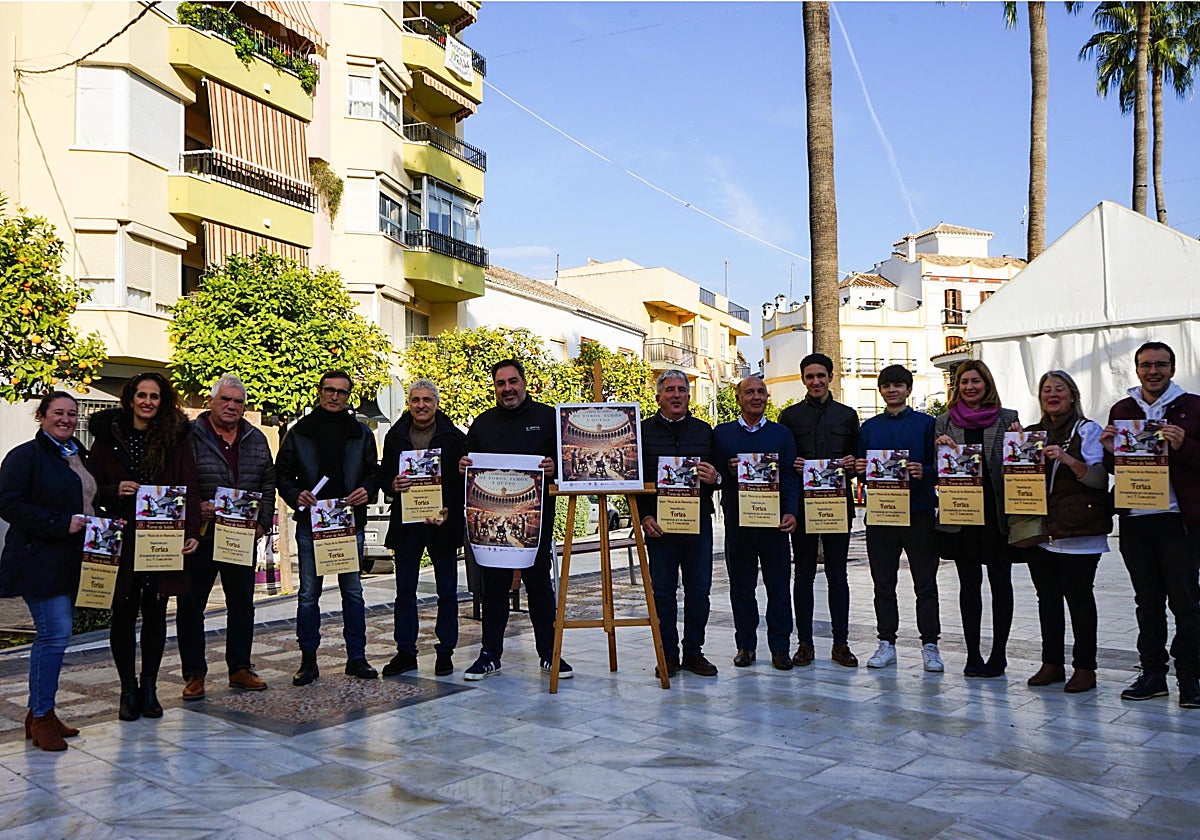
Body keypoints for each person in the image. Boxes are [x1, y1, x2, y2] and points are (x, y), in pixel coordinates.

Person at [90, 373, 200, 720]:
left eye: (154, 396)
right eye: (142, 395)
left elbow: (190, 486)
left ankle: (149, 687)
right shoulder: (109, 437)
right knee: (122, 613)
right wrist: (113, 490)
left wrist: (192, 531)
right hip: (123, 537)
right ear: (130, 398)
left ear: (161, 400)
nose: (147, 402)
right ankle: (127, 690)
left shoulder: (176, 439)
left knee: (155, 612)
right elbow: (91, 485)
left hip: (162, 539)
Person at [1101, 342, 1200, 707]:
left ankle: (1191, 678)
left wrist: (1185, 443)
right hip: (1136, 519)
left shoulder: (1193, 407)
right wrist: (1110, 450)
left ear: (1173, 368)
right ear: (1137, 369)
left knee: (1186, 603)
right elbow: (1118, 469)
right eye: (1146, 365)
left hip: (1178, 521)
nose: (1153, 371)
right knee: (1147, 602)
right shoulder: (1123, 409)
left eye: (1160, 365)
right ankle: (1153, 674)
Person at [457, 359, 570, 681]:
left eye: (512, 382)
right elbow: (466, 464)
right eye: (500, 384)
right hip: (491, 523)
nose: (507, 389)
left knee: (539, 585)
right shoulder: (482, 423)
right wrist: (463, 465)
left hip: (534, 521)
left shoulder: (548, 418)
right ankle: (490, 654)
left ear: (524, 383)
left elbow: (571, 468)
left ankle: (550, 654)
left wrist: (555, 470)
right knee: (493, 588)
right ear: (495, 388)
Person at [0, 393, 95, 750]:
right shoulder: (25, 456)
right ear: (41, 416)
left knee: (55, 636)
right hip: (39, 560)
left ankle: (41, 713)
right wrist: (59, 523)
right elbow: (8, 503)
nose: (67, 420)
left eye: (72, 414)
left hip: (72, 560)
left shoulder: (77, 453)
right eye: (58, 413)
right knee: (54, 635)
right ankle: (41, 716)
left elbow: (85, 498)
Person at [276, 370, 380, 686]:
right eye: (329, 390)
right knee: (309, 594)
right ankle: (308, 661)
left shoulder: (361, 433)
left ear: (349, 396)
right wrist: (296, 495)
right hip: (311, 524)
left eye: (342, 392)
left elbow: (373, 473)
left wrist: (367, 490)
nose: (335, 396)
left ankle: (357, 658)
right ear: (319, 392)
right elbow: (282, 475)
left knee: (353, 593)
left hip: (348, 524)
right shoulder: (299, 432)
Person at [176, 374, 276, 700]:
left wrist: (262, 522)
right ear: (211, 401)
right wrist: (195, 509)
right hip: (201, 537)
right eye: (226, 400)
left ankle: (240, 668)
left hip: (239, 536)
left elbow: (267, 484)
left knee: (242, 606)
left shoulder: (255, 438)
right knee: (191, 606)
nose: (232, 406)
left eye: (238, 402)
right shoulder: (188, 436)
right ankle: (194, 675)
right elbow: (176, 480)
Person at [1021, 371, 1110, 694]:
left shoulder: (1087, 431)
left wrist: (1066, 458)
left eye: (1059, 389)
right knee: (1047, 599)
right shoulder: (1033, 434)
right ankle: (1052, 662)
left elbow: (1097, 479)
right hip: (1041, 532)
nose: (1052, 394)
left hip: (1079, 532)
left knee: (1080, 599)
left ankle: (1086, 667)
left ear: (1073, 395)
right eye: (1046, 390)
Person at [854, 365, 943, 673]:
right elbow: (858, 468)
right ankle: (886, 643)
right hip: (880, 516)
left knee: (925, 583)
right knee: (883, 583)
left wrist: (926, 472)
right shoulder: (869, 428)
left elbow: (941, 467)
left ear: (909, 389)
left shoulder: (927, 424)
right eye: (887, 385)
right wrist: (860, 467)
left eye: (898, 385)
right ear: (880, 390)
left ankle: (930, 645)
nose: (892, 390)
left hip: (918, 513)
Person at [933, 360, 1020, 678]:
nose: (970, 387)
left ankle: (999, 655)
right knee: (969, 585)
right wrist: (939, 450)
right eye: (964, 382)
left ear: (987, 384)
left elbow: (1019, 467)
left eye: (976, 381)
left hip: (997, 516)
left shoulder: (1008, 418)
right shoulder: (943, 422)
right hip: (962, 517)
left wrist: (1020, 443)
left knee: (1001, 584)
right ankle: (972, 654)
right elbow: (936, 471)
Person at [778, 353, 860, 668]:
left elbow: (857, 459)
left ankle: (841, 644)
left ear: (830, 377)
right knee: (804, 575)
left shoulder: (847, 415)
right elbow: (782, 462)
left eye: (820, 376)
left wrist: (853, 466)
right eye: (810, 376)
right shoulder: (790, 417)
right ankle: (805, 644)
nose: (815, 381)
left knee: (839, 575)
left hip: (838, 506)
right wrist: (792, 463)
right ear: (803, 379)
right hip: (802, 507)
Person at [378, 379, 465, 678]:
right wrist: (393, 483)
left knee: (447, 593)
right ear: (409, 403)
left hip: (442, 525)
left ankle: (445, 652)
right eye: (415, 400)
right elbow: (384, 476)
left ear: (437, 403)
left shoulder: (454, 437)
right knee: (404, 593)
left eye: (427, 399)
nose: (421, 405)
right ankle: (405, 653)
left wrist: (449, 510)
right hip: (407, 525)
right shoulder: (395, 436)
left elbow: (460, 484)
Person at [712, 376, 798, 670]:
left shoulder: (781, 434)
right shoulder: (722, 435)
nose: (756, 397)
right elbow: (713, 478)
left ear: (767, 398)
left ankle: (780, 648)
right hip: (739, 524)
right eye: (749, 392)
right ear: (738, 398)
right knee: (741, 588)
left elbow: (789, 476)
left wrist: (792, 512)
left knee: (778, 587)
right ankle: (745, 646)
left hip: (774, 524)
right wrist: (727, 470)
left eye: (761, 392)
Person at [639, 370, 721, 678]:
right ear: (658, 396)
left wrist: (716, 478)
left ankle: (694, 653)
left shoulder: (704, 431)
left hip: (698, 523)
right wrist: (644, 516)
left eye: (682, 390)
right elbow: (633, 480)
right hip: (659, 526)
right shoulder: (643, 432)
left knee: (699, 591)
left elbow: (718, 476)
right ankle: (668, 655)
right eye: (670, 389)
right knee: (663, 593)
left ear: (689, 396)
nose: (676, 395)